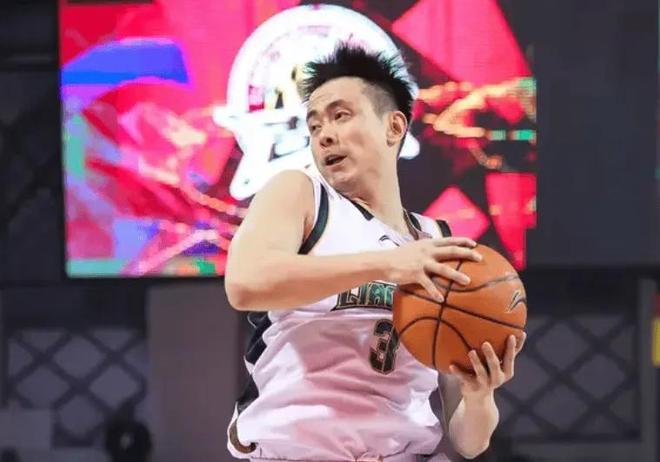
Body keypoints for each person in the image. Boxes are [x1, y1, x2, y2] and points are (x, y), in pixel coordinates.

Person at [225, 44, 525, 462]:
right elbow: (245, 283)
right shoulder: (301, 193)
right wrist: (386, 263)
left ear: (394, 127)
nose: (324, 134)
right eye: (314, 126)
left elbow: (469, 442)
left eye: (341, 116)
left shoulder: (437, 240)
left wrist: (479, 396)